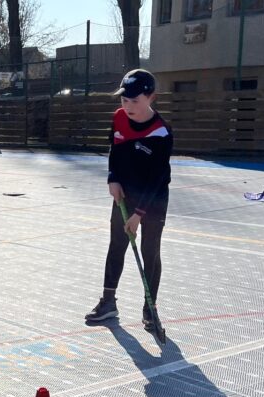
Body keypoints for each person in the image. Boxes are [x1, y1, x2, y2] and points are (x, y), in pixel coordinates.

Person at [85, 69, 172, 333]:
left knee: (150, 252)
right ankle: (108, 301)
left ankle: (150, 309)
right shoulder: (119, 118)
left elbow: (157, 178)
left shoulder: (161, 132)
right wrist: (113, 178)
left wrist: (138, 214)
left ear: (151, 97)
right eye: (125, 100)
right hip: (124, 194)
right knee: (117, 245)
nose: (128, 106)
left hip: (153, 199)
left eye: (135, 100)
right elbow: (115, 150)